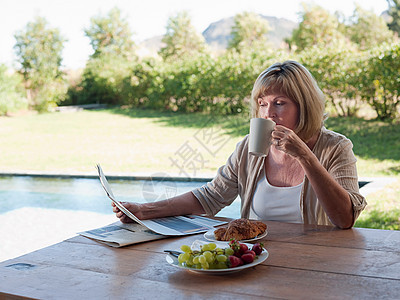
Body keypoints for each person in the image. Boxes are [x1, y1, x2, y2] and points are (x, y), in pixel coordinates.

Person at [112, 60, 366, 229]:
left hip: (317, 260)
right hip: (256, 258)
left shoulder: (336, 148)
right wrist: (144, 211)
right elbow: (211, 197)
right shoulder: (249, 147)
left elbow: (345, 219)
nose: (268, 114)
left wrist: (305, 156)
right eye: (263, 103)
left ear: (305, 106)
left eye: (280, 103)